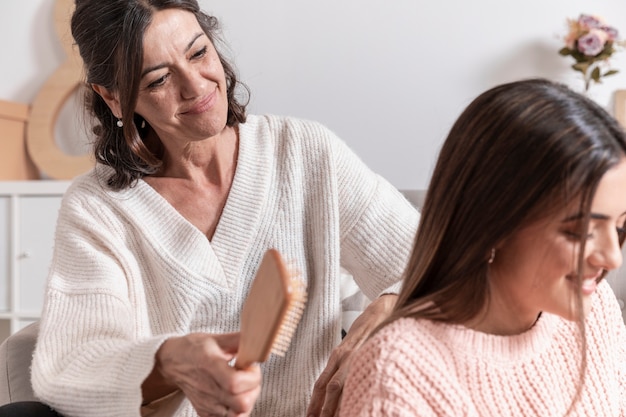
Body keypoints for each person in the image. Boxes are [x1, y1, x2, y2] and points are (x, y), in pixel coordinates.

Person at [29, 1, 419, 417]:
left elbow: (440, 261)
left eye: (198, 53)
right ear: (114, 99)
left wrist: (387, 308)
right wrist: (168, 361)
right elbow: (69, 367)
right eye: (159, 79)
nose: (196, 87)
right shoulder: (98, 210)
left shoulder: (306, 152)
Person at [339, 79, 626, 416]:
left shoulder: (596, 308)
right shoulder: (396, 373)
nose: (612, 258)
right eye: (580, 232)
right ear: (492, 221)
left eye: (621, 226)